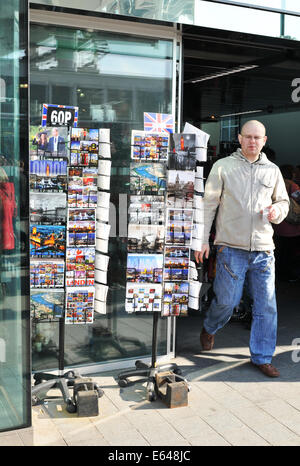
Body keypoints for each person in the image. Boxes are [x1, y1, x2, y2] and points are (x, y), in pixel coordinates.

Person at [194, 120, 289, 378]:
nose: (252, 141)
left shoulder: (272, 171)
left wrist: (277, 211)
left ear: (264, 140)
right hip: (230, 248)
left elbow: (283, 201)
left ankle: (262, 357)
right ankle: (210, 327)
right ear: (239, 138)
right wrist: (202, 239)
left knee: (266, 306)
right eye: (248, 136)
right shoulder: (223, 167)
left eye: (257, 137)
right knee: (227, 301)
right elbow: (208, 205)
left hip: (263, 250)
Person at [273, 165, 300, 282]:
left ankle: (277, 274)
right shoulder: (293, 186)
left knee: (279, 252)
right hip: (292, 227)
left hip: (278, 225)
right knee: (289, 253)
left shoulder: (276, 184)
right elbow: (298, 199)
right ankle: (287, 275)